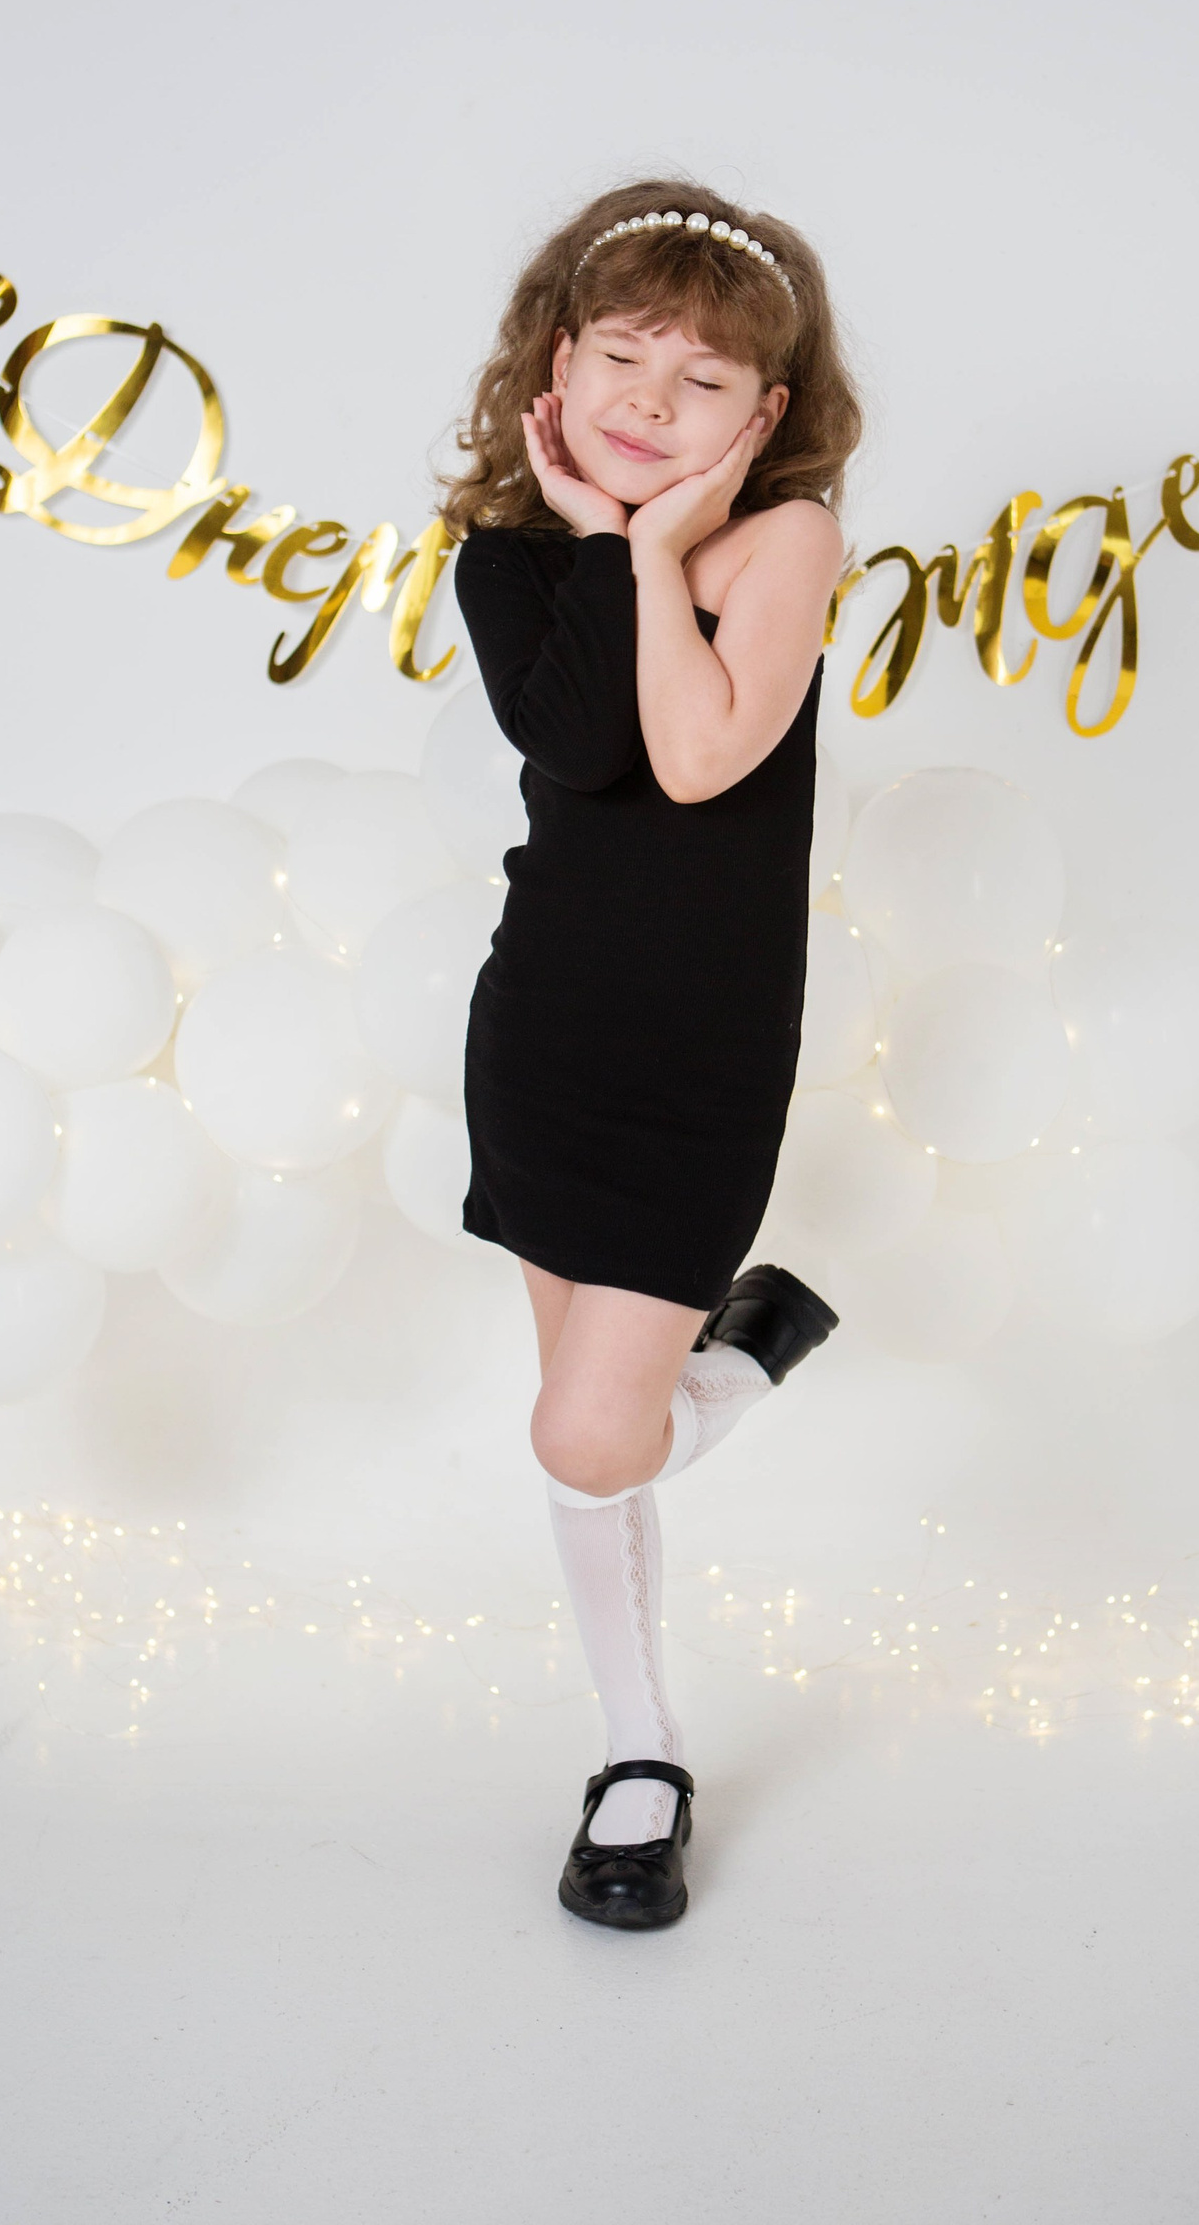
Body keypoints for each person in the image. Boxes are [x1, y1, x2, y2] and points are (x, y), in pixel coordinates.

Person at [438, 182, 865, 1929]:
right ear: (558, 365)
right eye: (623, 359)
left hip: (700, 1057)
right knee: (580, 1449)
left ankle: (739, 1362)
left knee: (591, 1428)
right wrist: (598, 544)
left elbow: (694, 760)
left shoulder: (787, 544)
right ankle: (640, 1755)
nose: (650, 403)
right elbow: (583, 741)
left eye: (703, 384)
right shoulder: (503, 560)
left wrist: (652, 541)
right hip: (546, 1031)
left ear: (764, 415)